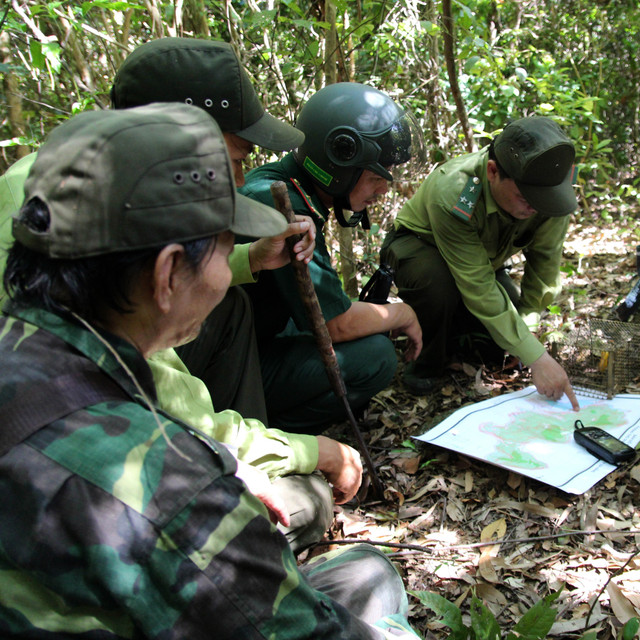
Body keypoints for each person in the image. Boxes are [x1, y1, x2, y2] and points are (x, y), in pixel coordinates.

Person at [0, 104, 419, 638]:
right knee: (374, 581)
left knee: (361, 572)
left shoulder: (22, 341)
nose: (230, 273)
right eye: (227, 248)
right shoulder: (171, 487)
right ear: (169, 272)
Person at [0, 37, 363, 553]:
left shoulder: (67, 182)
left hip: (88, 439)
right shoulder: (74, 219)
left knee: (232, 305)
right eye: (233, 159)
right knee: (306, 502)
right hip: (81, 485)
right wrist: (306, 452)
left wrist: (247, 261)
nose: (240, 179)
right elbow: (157, 395)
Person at [240, 82, 425, 433]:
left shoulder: (286, 188)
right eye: (374, 178)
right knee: (376, 357)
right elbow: (335, 324)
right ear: (338, 165)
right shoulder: (283, 205)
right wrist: (402, 313)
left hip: (248, 344)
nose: (382, 191)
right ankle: (266, 430)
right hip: (232, 367)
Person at [380, 116, 581, 409]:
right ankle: (424, 362)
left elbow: (545, 266)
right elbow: (477, 284)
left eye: (543, 200)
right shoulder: (454, 190)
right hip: (421, 250)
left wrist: (527, 328)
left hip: (483, 262)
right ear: (492, 171)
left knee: (502, 344)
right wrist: (537, 357)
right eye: (526, 197)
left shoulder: (551, 192)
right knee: (437, 284)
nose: (536, 207)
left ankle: (457, 333)